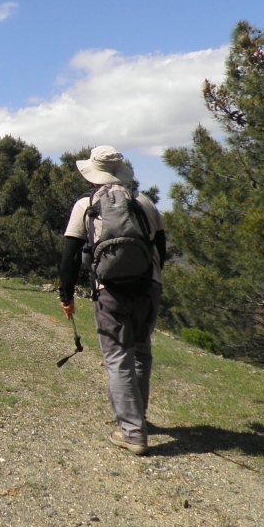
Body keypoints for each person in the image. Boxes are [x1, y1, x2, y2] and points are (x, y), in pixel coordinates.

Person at [59, 145, 166, 456]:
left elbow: (69, 258)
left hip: (109, 290)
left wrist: (67, 296)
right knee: (141, 351)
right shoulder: (144, 203)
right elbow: (162, 249)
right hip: (149, 287)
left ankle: (132, 433)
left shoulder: (86, 205)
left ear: (93, 173)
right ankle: (138, 419)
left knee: (118, 357)